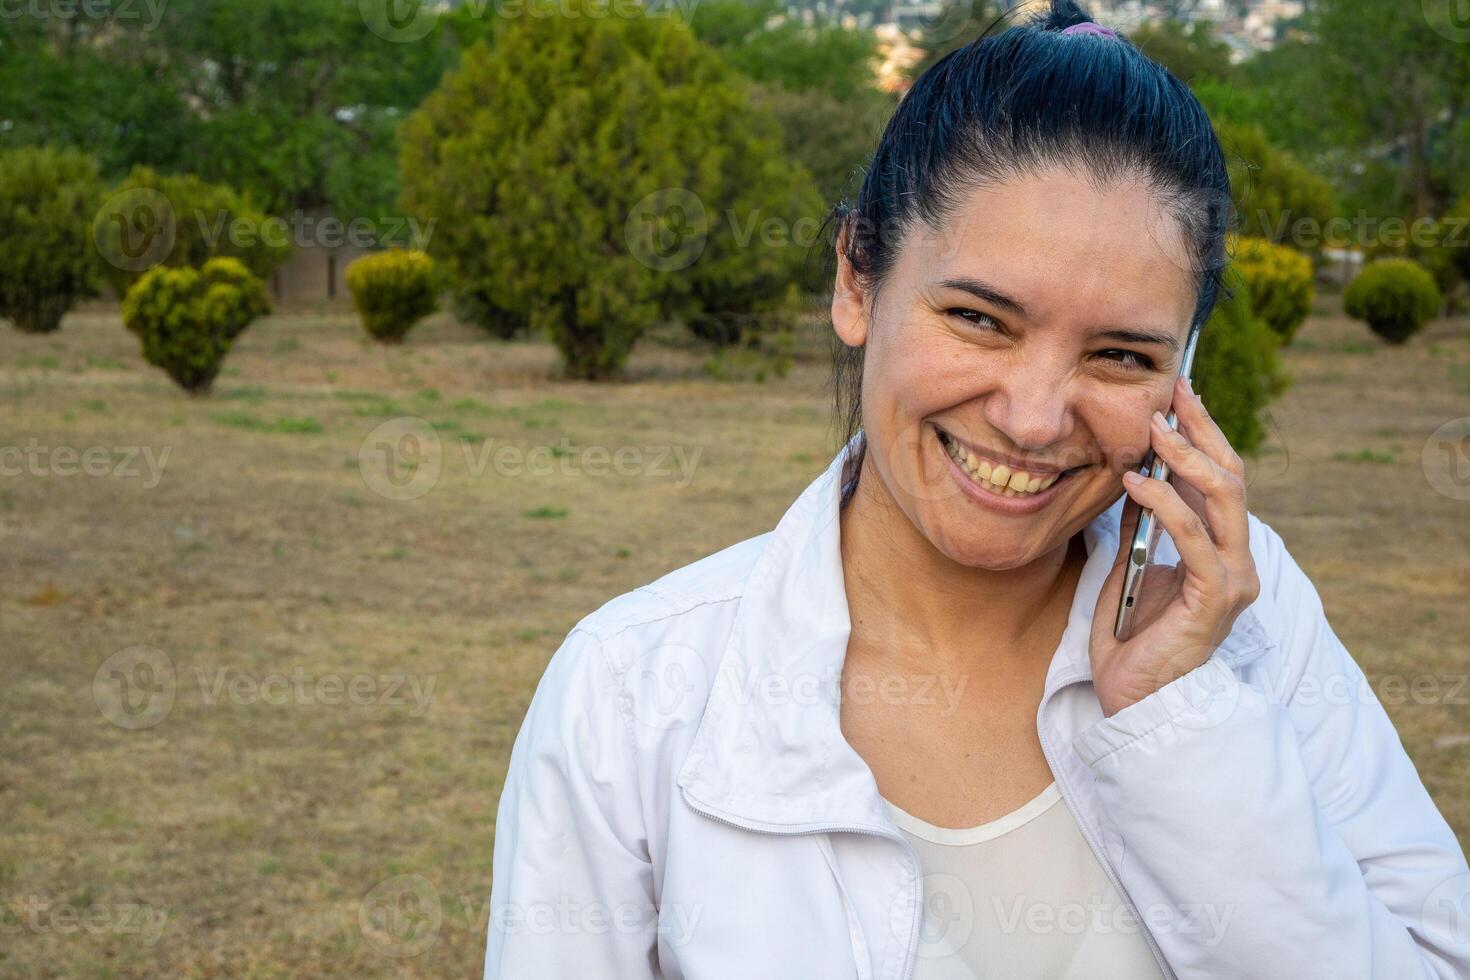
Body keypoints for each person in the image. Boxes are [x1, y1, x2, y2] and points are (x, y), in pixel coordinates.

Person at [482, 2, 1470, 977]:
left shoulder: (1245, 623)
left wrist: (1179, 719)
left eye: (1121, 353)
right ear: (857, 279)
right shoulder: (632, 692)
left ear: (1185, 372)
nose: (1036, 416)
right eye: (980, 318)